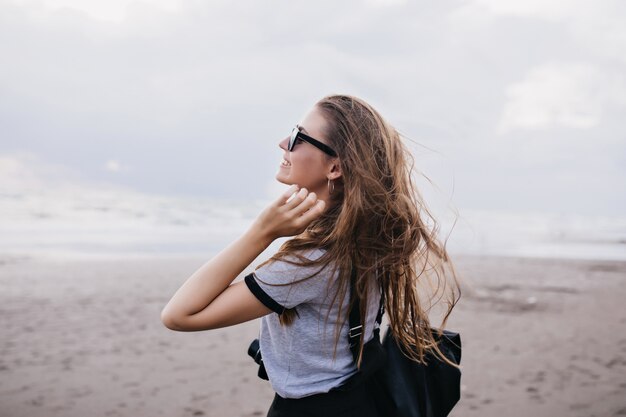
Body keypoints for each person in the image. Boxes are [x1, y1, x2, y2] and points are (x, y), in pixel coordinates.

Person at [160, 94, 460, 417]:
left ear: (334, 167)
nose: (282, 144)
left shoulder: (309, 263)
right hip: (358, 399)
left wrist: (261, 233)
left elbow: (179, 315)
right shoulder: (366, 239)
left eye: (296, 137)